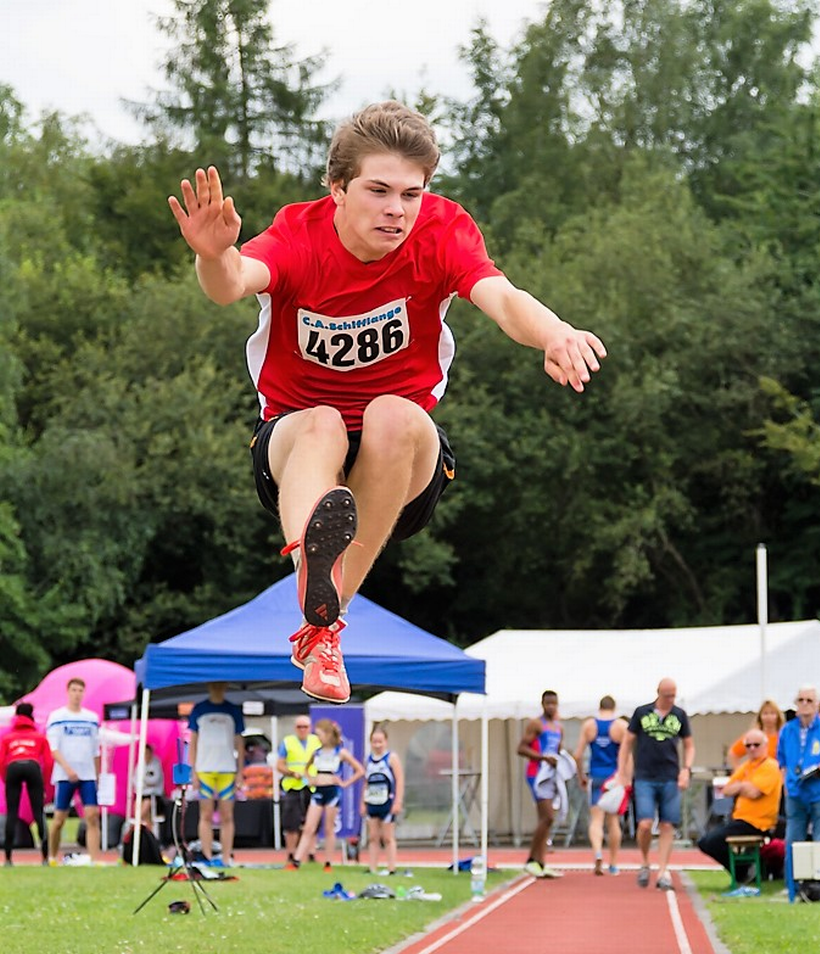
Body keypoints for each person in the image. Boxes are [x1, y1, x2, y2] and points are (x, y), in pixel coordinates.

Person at [168, 101, 606, 706]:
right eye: (378, 191)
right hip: (297, 448)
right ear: (337, 188)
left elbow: (502, 298)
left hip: (400, 460)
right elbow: (232, 286)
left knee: (394, 411)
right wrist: (213, 255)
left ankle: (325, 613)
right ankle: (321, 624)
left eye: (412, 193)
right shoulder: (300, 235)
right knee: (321, 422)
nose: (396, 211)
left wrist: (555, 331)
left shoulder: (441, 232)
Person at [613, 678, 695, 891]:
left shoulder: (679, 715)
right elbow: (627, 743)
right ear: (658, 693)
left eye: (673, 695)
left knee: (667, 825)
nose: (670, 699)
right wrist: (622, 772)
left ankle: (663, 870)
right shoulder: (642, 713)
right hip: (645, 777)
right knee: (645, 824)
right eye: (667, 695)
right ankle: (645, 860)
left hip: (670, 776)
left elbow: (689, 745)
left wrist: (686, 769)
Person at [697, 729, 783, 882]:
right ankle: (742, 871)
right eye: (748, 746)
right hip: (739, 819)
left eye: (756, 745)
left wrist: (740, 786)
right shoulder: (747, 766)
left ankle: (743, 871)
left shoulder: (770, 766)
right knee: (705, 841)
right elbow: (727, 790)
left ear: (765, 746)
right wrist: (744, 786)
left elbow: (755, 793)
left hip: (757, 823)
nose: (751, 749)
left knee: (711, 841)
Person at [290, 719, 364, 870]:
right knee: (309, 827)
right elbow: (306, 768)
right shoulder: (317, 752)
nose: (318, 738)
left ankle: (328, 862)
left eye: (320, 735)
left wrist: (345, 783)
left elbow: (360, 770)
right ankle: (296, 860)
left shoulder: (340, 752)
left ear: (328, 734)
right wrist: (309, 779)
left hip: (333, 791)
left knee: (329, 828)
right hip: (318, 790)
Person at [776, 686, 820, 887]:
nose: (805, 704)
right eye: (801, 700)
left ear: (818, 704)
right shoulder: (787, 730)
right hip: (796, 791)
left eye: (809, 700)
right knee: (793, 839)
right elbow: (781, 761)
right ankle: (792, 886)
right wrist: (785, 782)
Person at [187, 683, 245, 866]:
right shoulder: (199, 709)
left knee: (227, 815)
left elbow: (240, 744)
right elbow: (193, 742)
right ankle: (207, 855)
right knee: (206, 814)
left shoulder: (233, 710)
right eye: (214, 686)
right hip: (205, 769)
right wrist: (193, 771)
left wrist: (240, 772)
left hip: (227, 769)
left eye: (220, 686)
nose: (217, 689)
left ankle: (227, 857)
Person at [46, 678, 102, 864]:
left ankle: (94, 859)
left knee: (92, 816)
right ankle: (52, 855)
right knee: (59, 819)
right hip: (64, 774)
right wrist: (68, 769)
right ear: (68, 692)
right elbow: (54, 748)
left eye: (80, 690)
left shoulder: (91, 719)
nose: (77, 694)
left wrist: (97, 774)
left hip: (87, 774)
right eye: (74, 690)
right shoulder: (57, 717)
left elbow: (96, 750)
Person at [574, 695, 630, 876]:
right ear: (614, 708)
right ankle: (613, 863)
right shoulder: (621, 726)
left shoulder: (589, 726)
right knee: (613, 821)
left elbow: (577, 754)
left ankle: (598, 853)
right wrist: (626, 778)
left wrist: (581, 775)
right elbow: (628, 755)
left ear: (600, 708)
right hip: (613, 778)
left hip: (596, 776)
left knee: (596, 820)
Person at [516, 690, 566, 878]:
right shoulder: (536, 724)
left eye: (554, 703)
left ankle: (541, 862)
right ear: (542, 704)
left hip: (551, 776)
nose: (551, 707)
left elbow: (558, 751)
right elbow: (521, 748)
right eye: (547, 703)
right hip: (536, 775)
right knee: (547, 817)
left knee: (546, 820)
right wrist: (542, 758)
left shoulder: (559, 727)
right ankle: (531, 860)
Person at [0, 702, 52, 865]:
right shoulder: (39, 737)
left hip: (13, 767)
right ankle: (44, 858)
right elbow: (49, 762)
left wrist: (5, 778)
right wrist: (43, 782)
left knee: (12, 813)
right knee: (39, 813)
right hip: (33, 766)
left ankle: (8, 859)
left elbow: (1, 760)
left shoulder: (7, 737)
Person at [276, 715, 321, 861]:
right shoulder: (288, 742)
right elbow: (279, 764)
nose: (302, 730)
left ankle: (312, 852)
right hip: (293, 785)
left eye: (305, 727)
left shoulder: (317, 741)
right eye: (299, 727)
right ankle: (291, 853)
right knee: (291, 822)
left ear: (310, 728)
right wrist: (291, 772)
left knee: (312, 821)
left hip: (312, 786)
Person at [361, 724, 404, 875]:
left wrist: (398, 801)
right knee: (373, 837)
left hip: (387, 802)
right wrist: (362, 802)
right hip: (372, 802)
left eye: (380, 741)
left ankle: (392, 868)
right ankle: (372, 867)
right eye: (374, 741)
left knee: (388, 837)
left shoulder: (391, 758)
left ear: (386, 741)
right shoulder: (368, 760)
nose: (377, 745)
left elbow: (399, 780)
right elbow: (365, 782)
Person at [726, 699, 784, 763]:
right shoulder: (753, 737)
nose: (769, 717)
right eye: (765, 713)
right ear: (760, 717)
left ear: (778, 716)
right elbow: (733, 753)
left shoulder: (784, 736)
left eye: (772, 713)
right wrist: (739, 770)